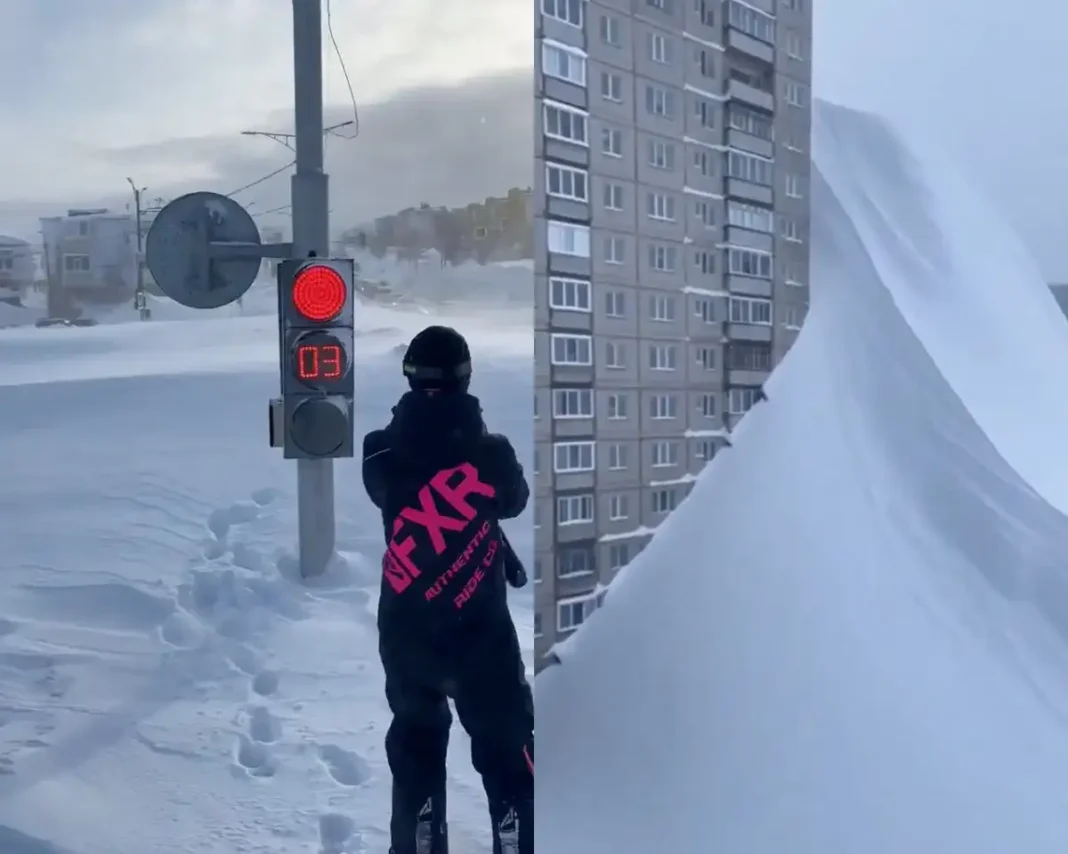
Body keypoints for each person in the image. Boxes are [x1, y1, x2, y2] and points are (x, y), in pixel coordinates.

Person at [362, 325, 533, 854]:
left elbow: (383, 491)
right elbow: (515, 501)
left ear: (409, 376)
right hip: (480, 635)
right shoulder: (493, 456)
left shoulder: (378, 452)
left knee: (416, 746)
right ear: (466, 378)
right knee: (508, 753)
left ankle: (417, 844)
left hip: (406, 632)